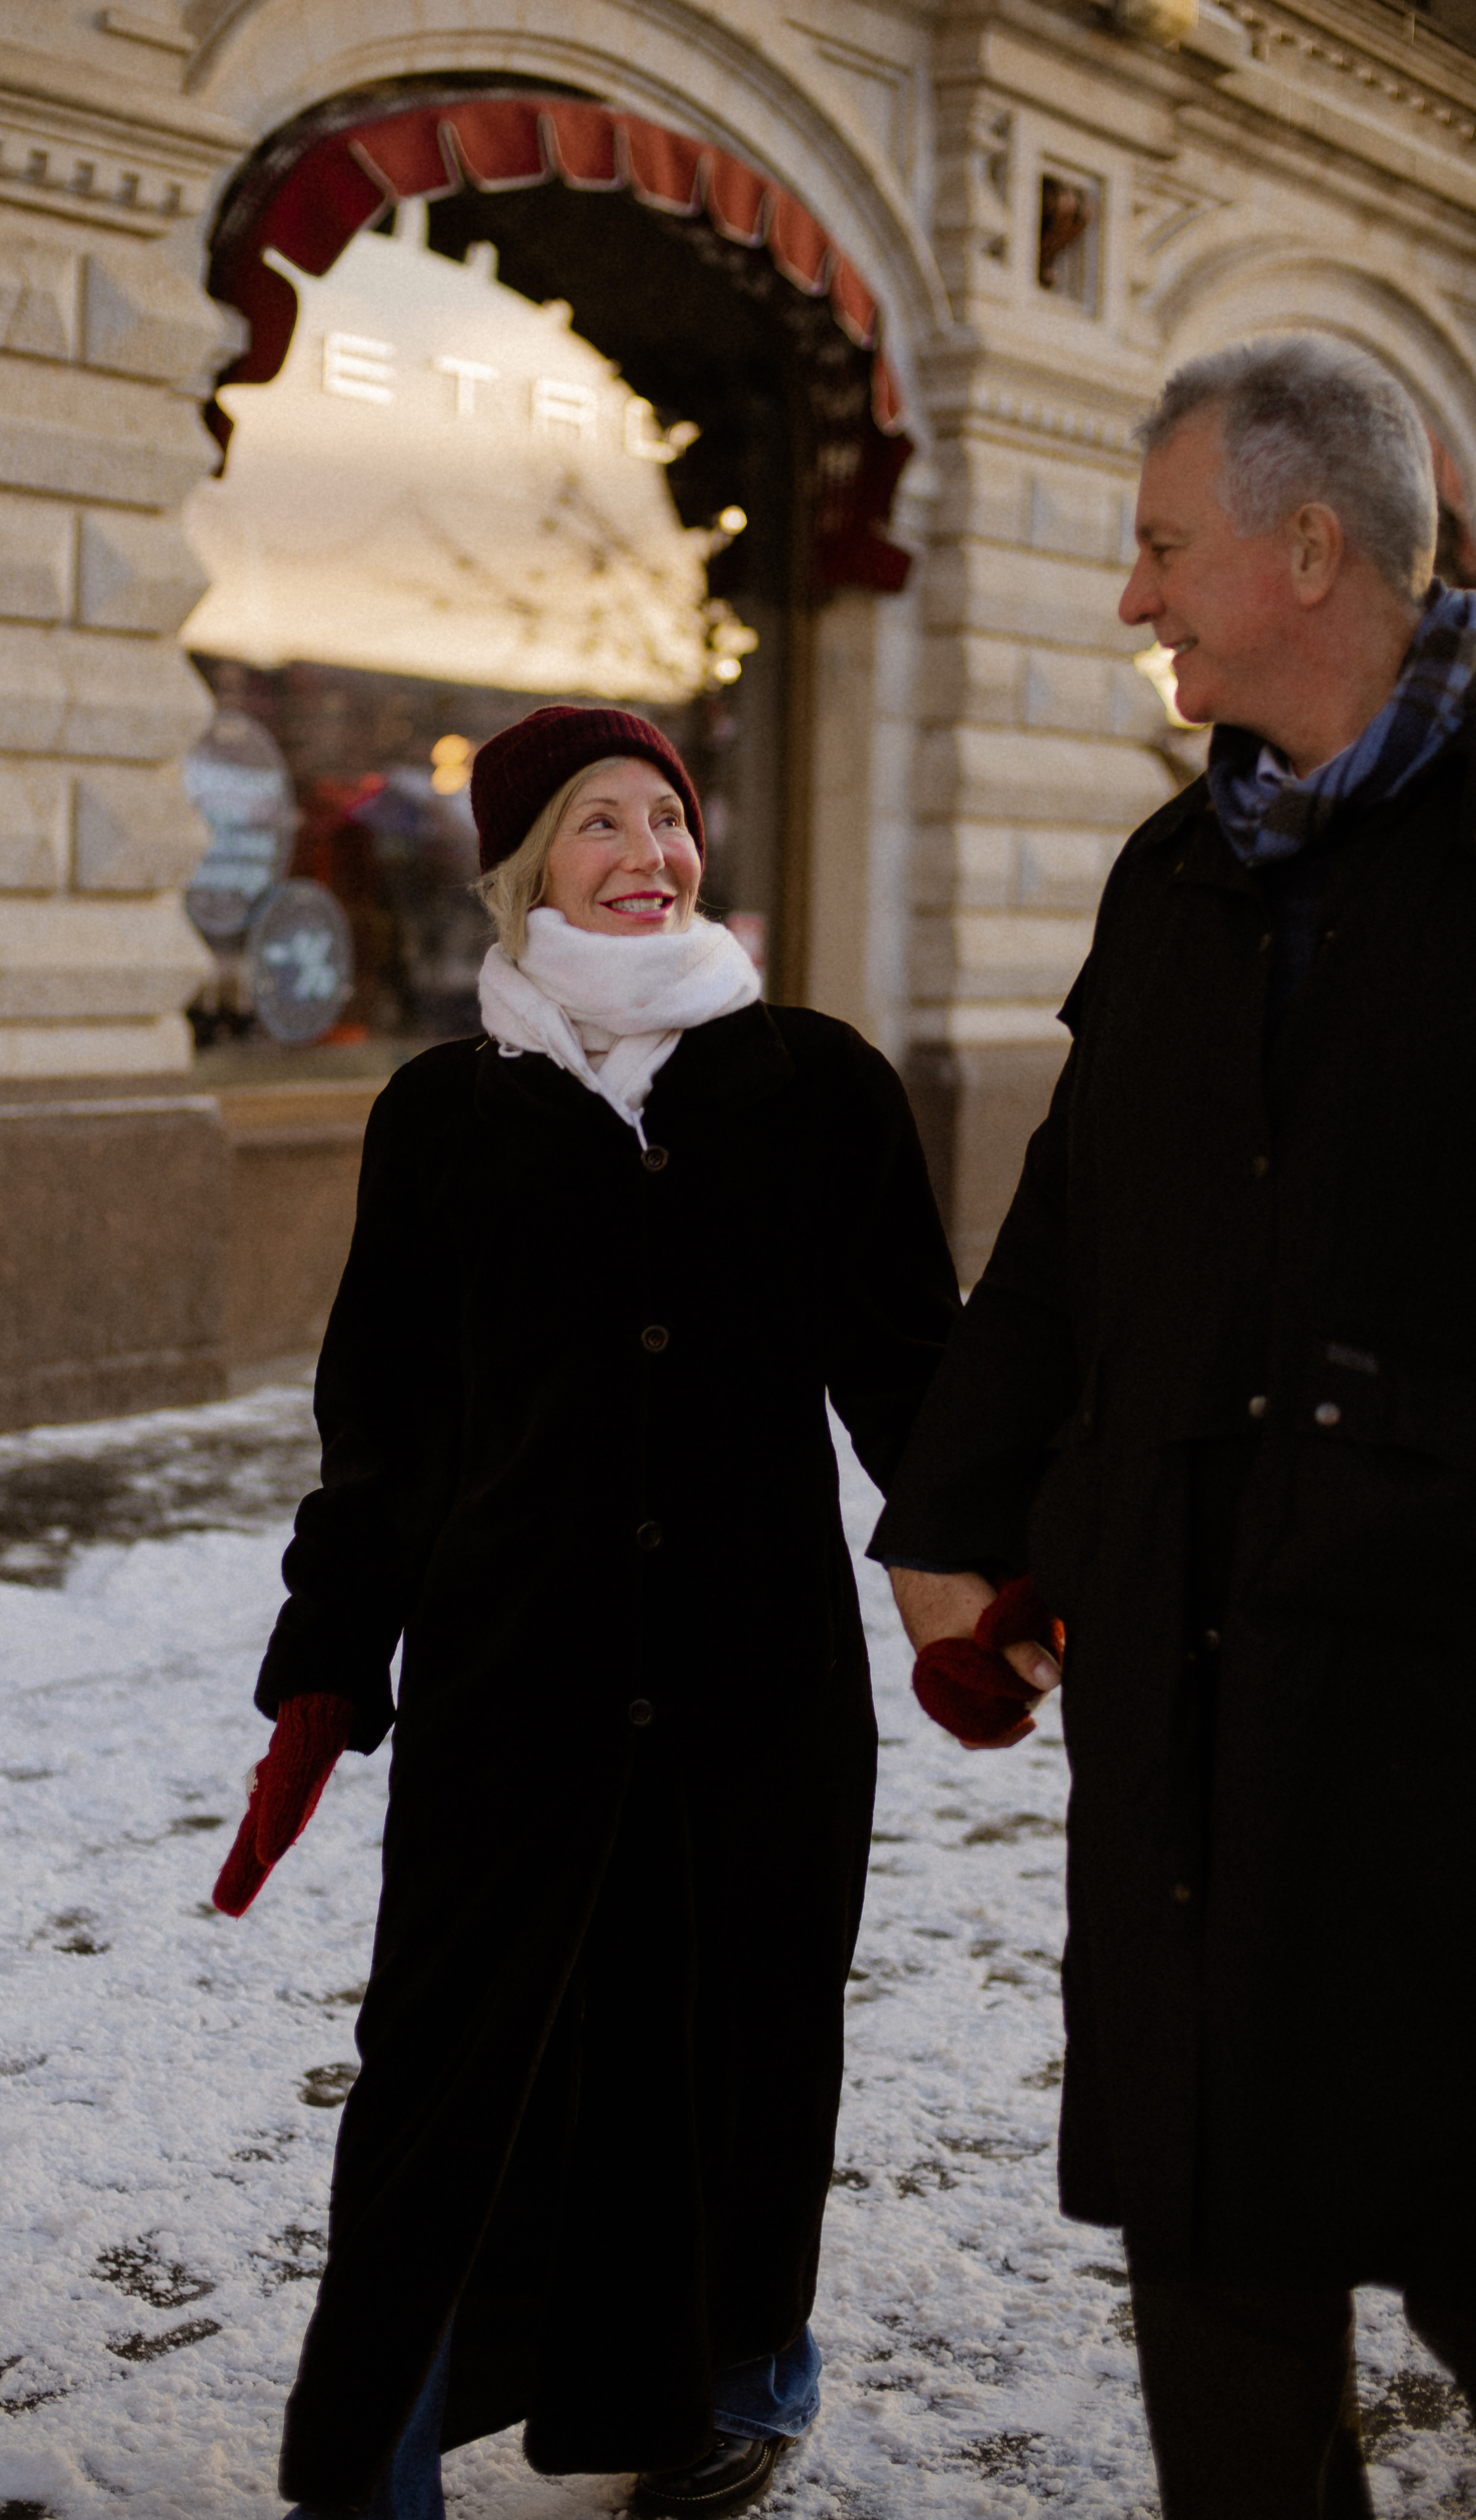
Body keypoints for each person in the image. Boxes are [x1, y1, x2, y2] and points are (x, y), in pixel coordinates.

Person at [212, 704, 959, 2519]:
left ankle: (720, 2386)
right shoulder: (445, 1113)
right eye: (598, 822)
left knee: (735, 2060)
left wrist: (994, 1586)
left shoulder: (817, 1086)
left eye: (668, 818)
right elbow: (384, 1431)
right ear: (525, 868)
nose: (649, 851)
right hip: (513, 1688)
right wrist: (331, 1653)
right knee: (453, 2077)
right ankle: (378, 2446)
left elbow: (926, 1401)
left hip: (755, 1692)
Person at [870, 333, 1476, 2517]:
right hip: (1190, 1705)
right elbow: (1066, 1231)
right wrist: (952, 1511)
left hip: (1434, 1724)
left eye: (1160, 546)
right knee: (1219, 2270)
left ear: (1309, 548)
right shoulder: (1174, 867)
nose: (1135, 601)